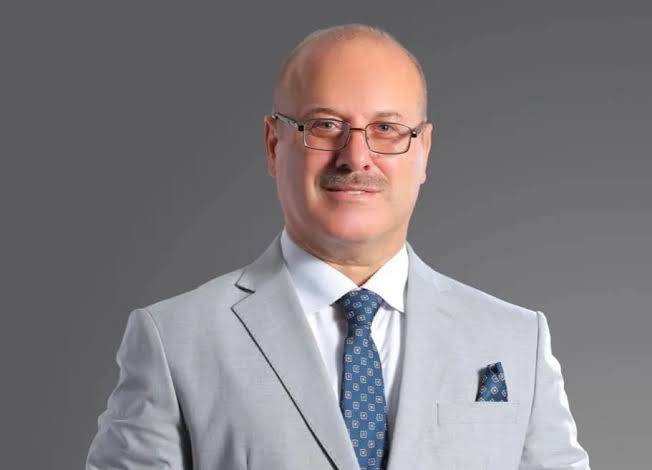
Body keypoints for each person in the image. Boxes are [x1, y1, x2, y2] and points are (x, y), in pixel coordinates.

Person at [86, 23, 591, 470]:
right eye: (325, 125)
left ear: (423, 151)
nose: (356, 157)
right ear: (273, 145)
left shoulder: (516, 341)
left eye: (387, 129)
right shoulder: (175, 342)